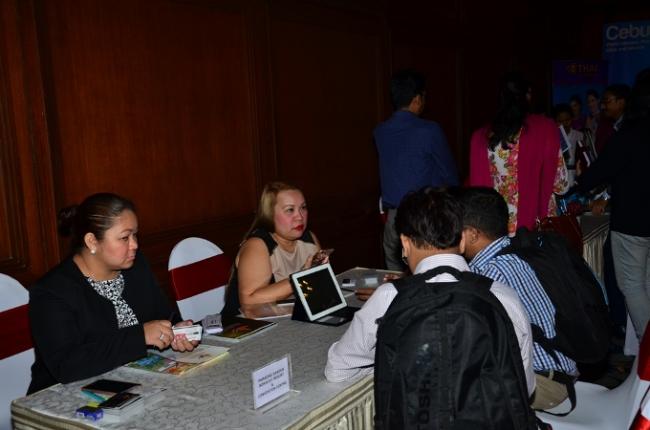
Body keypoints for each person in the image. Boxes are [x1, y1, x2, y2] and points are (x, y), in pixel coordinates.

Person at [324, 187, 535, 397]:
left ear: (405, 243)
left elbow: (338, 370)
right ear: (462, 240)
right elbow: (525, 386)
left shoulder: (389, 297)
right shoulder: (502, 295)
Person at [28, 193, 196, 394]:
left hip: (136, 383)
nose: (134, 245)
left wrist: (177, 330)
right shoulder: (51, 292)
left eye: (135, 235)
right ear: (92, 241)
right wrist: (140, 336)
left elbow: (164, 315)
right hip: (67, 395)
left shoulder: (136, 266)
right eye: (125, 238)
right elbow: (67, 365)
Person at [459, 186, 578, 410]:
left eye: (457, 228)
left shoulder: (490, 274)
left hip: (544, 382)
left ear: (473, 234)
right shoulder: (514, 252)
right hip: (560, 371)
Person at [575, 69, 650, 340]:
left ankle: (647, 348)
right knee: (647, 285)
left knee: (632, 285)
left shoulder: (629, 134)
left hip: (632, 221)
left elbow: (600, 171)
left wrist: (580, 182)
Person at [374, 69, 458, 270]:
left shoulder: (380, 132)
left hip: (394, 218)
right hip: (427, 219)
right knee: (430, 275)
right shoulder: (429, 130)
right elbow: (450, 176)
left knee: (396, 278)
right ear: (417, 99)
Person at [469, 72, 569, 234]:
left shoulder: (480, 137)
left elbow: (476, 193)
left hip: (495, 229)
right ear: (527, 96)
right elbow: (561, 185)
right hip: (536, 227)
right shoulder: (545, 128)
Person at [221, 181, 325, 316]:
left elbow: (316, 289)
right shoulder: (257, 245)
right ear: (270, 215)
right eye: (290, 210)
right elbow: (249, 303)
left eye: (303, 207)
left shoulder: (309, 239)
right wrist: (300, 278)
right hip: (243, 324)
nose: (300, 216)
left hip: (287, 318)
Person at [555, 103, 584, 186]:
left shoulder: (579, 135)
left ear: (572, 119)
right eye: (561, 121)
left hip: (575, 177)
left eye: (567, 120)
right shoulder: (553, 138)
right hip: (558, 179)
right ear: (556, 121)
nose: (564, 124)